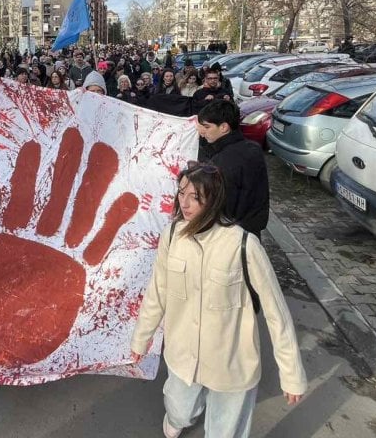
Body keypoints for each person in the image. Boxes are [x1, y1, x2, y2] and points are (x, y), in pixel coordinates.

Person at [131, 162, 306, 438]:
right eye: (181, 194)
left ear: (213, 200)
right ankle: (179, 417)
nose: (185, 204)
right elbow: (158, 291)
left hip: (232, 362)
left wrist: (291, 374)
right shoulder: (172, 237)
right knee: (180, 409)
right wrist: (142, 338)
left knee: (226, 433)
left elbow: (277, 313)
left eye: (195, 197)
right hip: (183, 354)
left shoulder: (243, 245)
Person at [196, 100, 269, 236]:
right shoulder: (253, 148)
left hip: (231, 233)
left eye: (206, 127)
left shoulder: (223, 161)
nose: (202, 132)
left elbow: (221, 204)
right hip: (251, 229)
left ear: (224, 127)